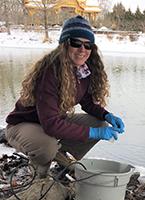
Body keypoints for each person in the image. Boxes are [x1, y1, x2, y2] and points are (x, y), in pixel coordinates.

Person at [5, 15, 124, 178]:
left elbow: (87, 102)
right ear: (65, 44)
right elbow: (51, 125)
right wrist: (92, 134)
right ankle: (40, 175)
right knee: (47, 146)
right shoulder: (49, 72)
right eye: (76, 43)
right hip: (24, 125)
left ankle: (61, 155)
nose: (82, 49)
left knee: (100, 124)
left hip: (50, 123)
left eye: (88, 45)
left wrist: (107, 115)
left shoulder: (82, 70)